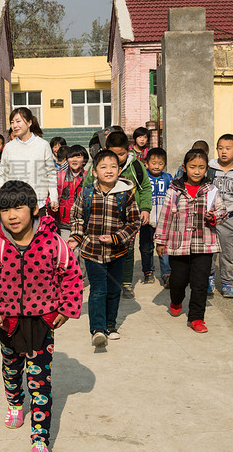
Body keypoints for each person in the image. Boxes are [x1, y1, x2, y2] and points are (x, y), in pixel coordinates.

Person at [0, 180, 83, 452]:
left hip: (41, 324)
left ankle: (40, 441)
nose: (11, 215)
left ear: (34, 209)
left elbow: (72, 276)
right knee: (12, 371)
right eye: (5, 209)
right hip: (8, 324)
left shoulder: (53, 243)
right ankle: (13, 403)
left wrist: (66, 308)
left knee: (40, 384)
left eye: (18, 208)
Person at [69, 150, 140, 347]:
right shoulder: (87, 193)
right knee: (98, 290)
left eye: (113, 167)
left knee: (114, 291)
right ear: (94, 171)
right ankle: (98, 329)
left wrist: (117, 237)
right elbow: (76, 217)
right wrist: (76, 237)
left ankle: (111, 325)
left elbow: (134, 222)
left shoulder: (126, 194)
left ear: (119, 170)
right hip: (92, 251)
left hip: (118, 252)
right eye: (103, 167)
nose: (109, 171)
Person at [155, 149, 227, 333]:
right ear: (184, 168)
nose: (197, 171)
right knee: (178, 280)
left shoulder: (211, 191)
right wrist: (161, 241)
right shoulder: (174, 191)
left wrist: (214, 217)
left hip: (204, 243)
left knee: (200, 283)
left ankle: (196, 318)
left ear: (206, 170)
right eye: (192, 167)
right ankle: (176, 299)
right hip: (179, 244)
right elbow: (165, 217)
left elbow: (223, 211)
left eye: (201, 167)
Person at [83, 130, 151, 299]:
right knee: (102, 251)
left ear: (128, 150)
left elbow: (145, 188)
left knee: (126, 250)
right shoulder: (96, 166)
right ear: (106, 149)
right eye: (113, 153)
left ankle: (126, 283)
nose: (118, 158)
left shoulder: (135, 166)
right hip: (101, 218)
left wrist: (145, 209)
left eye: (121, 154)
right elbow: (86, 190)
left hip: (126, 219)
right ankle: (105, 282)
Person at [0, 107, 59, 217]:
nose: (15, 125)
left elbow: (51, 174)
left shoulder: (43, 145)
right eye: (12, 122)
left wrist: (54, 198)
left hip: (37, 205)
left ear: (29, 122)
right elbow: (2, 176)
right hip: (13, 204)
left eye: (18, 121)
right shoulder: (9, 147)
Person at [207, 134, 233, 298]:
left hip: (231, 219)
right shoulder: (209, 170)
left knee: (229, 254)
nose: (223, 152)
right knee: (209, 252)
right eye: (220, 148)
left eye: (228, 148)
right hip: (210, 219)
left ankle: (227, 283)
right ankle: (209, 279)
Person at [140, 147, 173, 285]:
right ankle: (148, 271)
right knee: (146, 247)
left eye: (160, 163)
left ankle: (166, 273)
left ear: (164, 164)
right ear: (146, 163)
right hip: (146, 221)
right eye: (153, 163)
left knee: (164, 247)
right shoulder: (143, 177)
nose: (157, 166)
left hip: (163, 221)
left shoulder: (168, 178)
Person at [56, 145, 89, 243]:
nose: (74, 160)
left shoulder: (88, 177)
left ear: (84, 160)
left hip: (83, 222)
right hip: (64, 222)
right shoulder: (60, 175)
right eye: (71, 157)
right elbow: (52, 195)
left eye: (78, 157)